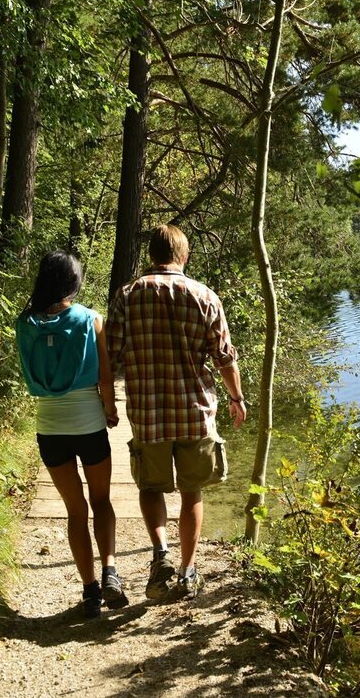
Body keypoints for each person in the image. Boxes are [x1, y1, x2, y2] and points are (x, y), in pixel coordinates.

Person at [107, 224, 246, 600]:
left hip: (147, 410)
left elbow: (112, 356)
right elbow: (224, 358)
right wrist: (237, 397)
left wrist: (105, 401)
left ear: (152, 254)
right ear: (183, 255)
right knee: (192, 491)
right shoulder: (204, 296)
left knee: (151, 488)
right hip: (194, 411)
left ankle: (161, 555)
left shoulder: (128, 295)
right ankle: (187, 571)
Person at [15, 250, 127, 618]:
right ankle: (111, 570)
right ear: (72, 283)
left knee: (75, 510)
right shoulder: (90, 319)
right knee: (102, 502)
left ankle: (90, 591)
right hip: (89, 425)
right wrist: (110, 410)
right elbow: (105, 378)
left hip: (49, 428)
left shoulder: (24, 324)